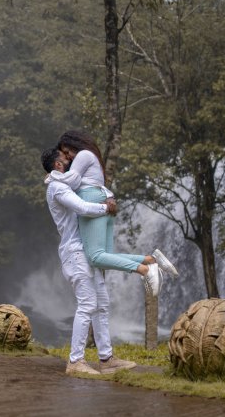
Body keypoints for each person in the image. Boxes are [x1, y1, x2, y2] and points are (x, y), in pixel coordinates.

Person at [42, 147, 137, 376]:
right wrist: (106, 207)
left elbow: (89, 183)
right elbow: (83, 208)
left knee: (101, 304)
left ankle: (106, 359)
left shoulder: (64, 183)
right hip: (75, 253)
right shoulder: (57, 188)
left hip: (85, 252)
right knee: (87, 305)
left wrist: (106, 193)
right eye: (66, 158)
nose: (71, 160)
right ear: (58, 165)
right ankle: (75, 361)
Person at [51, 130, 179, 296]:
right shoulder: (91, 157)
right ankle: (151, 260)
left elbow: (73, 180)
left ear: (74, 143)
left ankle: (145, 270)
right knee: (106, 258)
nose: (68, 158)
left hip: (90, 199)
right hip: (102, 197)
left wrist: (52, 176)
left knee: (95, 257)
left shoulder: (83, 154)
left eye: (67, 152)